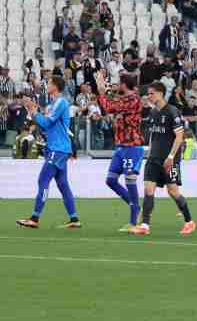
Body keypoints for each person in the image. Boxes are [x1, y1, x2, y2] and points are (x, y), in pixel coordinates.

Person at [130, 82, 196, 236]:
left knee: (173, 191)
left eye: (151, 93)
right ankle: (145, 225)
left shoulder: (173, 112)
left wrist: (171, 157)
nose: (149, 96)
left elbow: (179, 136)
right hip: (154, 158)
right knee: (148, 189)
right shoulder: (153, 113)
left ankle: (189, 221)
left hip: (170, 159)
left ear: (161, 93)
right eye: (148, 94)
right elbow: (153, 137)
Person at [16, 76, 81, 229]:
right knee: (63, 184)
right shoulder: (53, 104)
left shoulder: (61, 102)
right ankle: (74, 218)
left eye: (49, 83)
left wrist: (33, 112)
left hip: (58, 149)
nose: (47, 85)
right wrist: (34, 112)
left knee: (43, 180)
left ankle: (35, 218)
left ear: (56, 86)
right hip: (57, 148)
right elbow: (46, 126)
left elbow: (47, 122)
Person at [95, 71, 143, 232]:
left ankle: (133, 220)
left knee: (130, 179)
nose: (117, 86)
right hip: (121, 146)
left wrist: (102, 91)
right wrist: (104, 89)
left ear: (124, 84)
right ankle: (135, 206)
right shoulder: (125, 98)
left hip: (132, 146)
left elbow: (110, 107)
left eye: (119, 83)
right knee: (111, 180)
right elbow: (113, 103)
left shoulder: (134, 99)